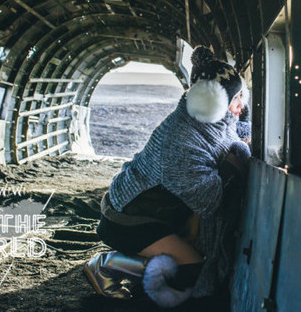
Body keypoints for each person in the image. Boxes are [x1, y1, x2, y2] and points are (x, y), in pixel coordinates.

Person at [84, 46, 251, 308]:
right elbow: (209, 200)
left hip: (157, 211)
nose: (242, 105)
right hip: (129, 217)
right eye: (237, 98)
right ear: (212, 101)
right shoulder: (181, 140)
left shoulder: (209, 120)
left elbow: (234, 129)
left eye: (243, 95)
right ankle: (108, 266)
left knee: (194, 263)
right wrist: (234, 161)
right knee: (193, 269)